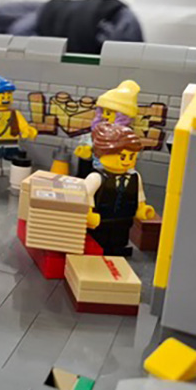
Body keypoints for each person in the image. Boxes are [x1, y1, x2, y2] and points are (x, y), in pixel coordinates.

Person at [85, 122, 155, 257]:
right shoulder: (96, 178)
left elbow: (139, 197)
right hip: (100, 222)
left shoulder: (135, 177)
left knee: (119, 241)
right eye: (122, 157)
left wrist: (142, 210)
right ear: (102, 153)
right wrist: (88, 214)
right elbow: (85, 197)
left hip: (123, 221)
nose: (126, 161)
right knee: (98, 243)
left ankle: (118, 251)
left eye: (131, 157)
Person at [74, 79, 141, 177]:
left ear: (121, 116)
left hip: (115, 174)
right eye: (102, 112)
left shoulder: (126, 136)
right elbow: (87, 156)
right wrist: (86, 152)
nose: (104, 116)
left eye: (109, 113)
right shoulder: (96, 132)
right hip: (95, 172)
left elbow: (129, 158)